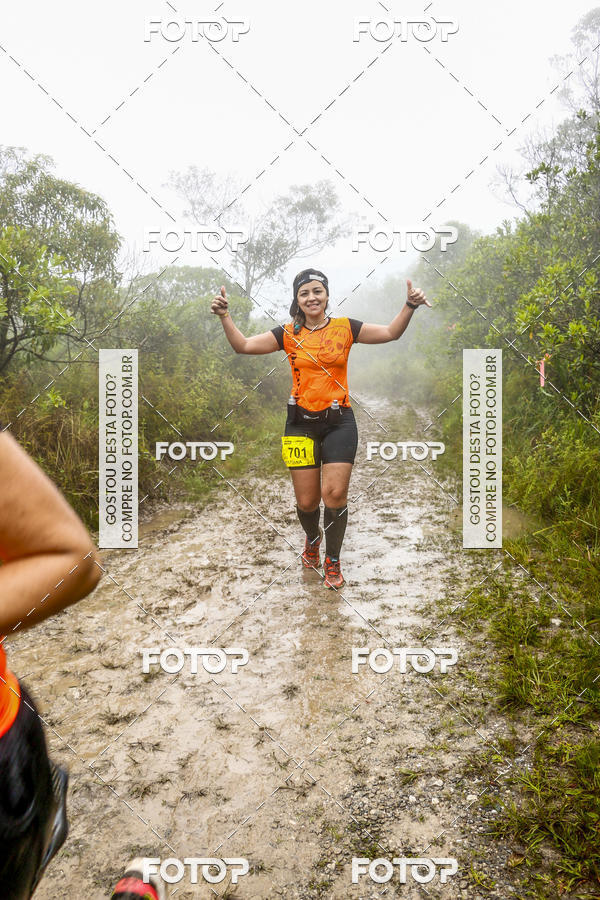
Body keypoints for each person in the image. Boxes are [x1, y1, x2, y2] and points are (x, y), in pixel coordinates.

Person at [211, 268, 430, 589]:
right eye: (305, 293)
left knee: (335, 495)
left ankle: (333, 561)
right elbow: (242, 345)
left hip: (340, 422)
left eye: (317, 291)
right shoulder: (286, 334)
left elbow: (390, 333)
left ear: (327, 295)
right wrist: (225, 315)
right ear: (297, 300)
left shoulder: (346, 327)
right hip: (298, 424)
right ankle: (312, 538)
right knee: (307, 502)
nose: (312, 298)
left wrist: (409, 306)